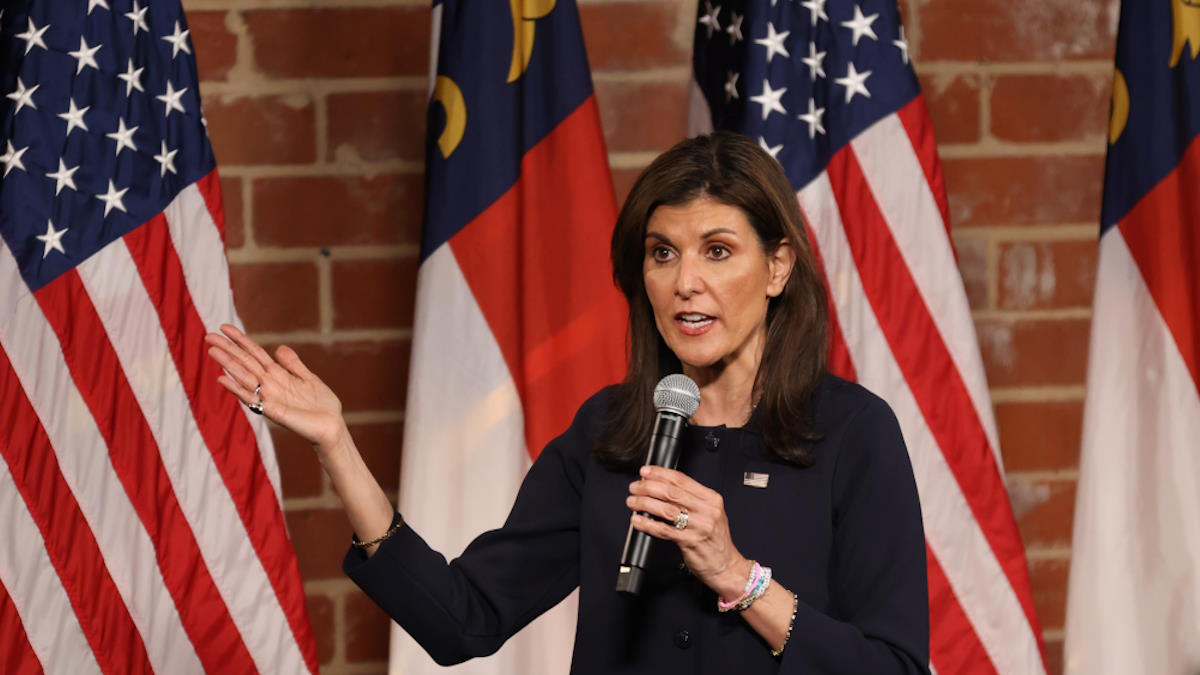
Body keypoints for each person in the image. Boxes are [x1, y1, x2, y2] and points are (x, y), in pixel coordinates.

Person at [205, 131, 930, 674]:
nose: (685, 282)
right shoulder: (607, 433)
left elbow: (895, 667)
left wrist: (739, 577)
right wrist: (336, 444)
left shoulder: (852, 433)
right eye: (662, 252)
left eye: (717, 250)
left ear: (777, 267)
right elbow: (462, 620)